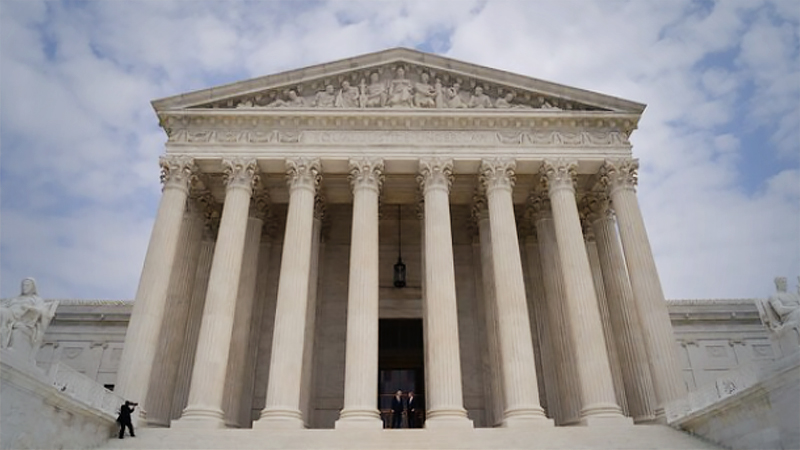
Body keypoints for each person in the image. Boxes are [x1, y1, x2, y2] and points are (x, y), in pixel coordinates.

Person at [0, 278, 58, 357]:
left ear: (33, 287)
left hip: (22, 317)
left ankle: (3, 343)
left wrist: (30, 307)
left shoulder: (36, 299)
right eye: (23, 285)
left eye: (27, 285)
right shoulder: (15, 299)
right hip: (9, 313)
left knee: (3, 312)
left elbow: (42, 311)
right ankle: (3, 338)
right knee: (2, 312)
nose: (25, 287)